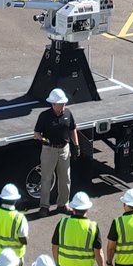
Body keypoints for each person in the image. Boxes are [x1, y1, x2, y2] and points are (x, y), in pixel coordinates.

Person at [33, 88, 79, 216]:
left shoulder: (68, 113)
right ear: (53, 104)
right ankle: (44, 206)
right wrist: (43, 140)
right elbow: (36, 133)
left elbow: (73, 129)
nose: (64, 105)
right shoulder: (44, 116)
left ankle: (63, 204)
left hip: (64, 149)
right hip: (49, 150)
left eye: (64, 103)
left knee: (65, 178)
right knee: (46, 178)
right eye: (61, 103)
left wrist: (76, 146)